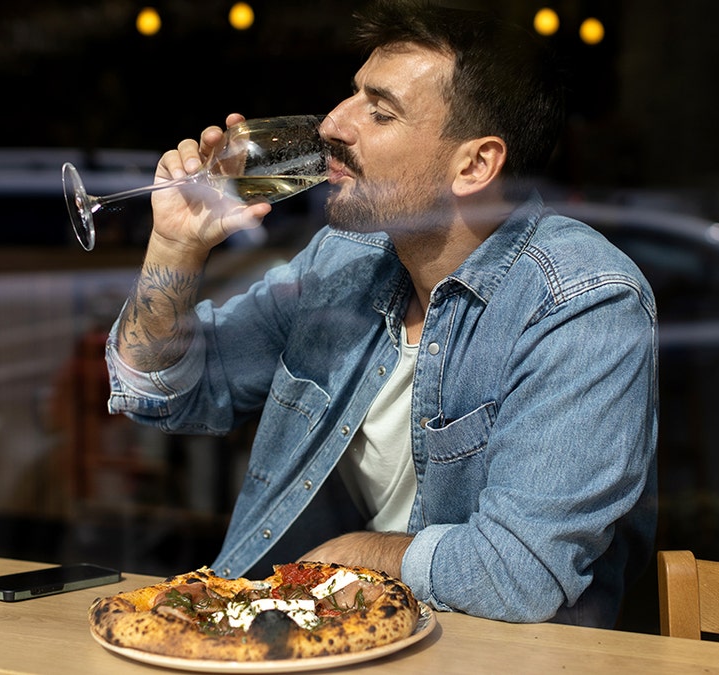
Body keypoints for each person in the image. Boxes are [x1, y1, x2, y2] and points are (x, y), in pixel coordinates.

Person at [105, 0, 657, 628]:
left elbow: (518, 576)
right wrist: (175, 248)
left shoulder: (584, 304)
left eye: (380, 111)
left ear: (475, 164)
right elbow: (165, 392)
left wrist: (347, 560)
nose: (333, 123)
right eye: (351, 96)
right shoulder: (345, 260)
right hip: (325, 641)